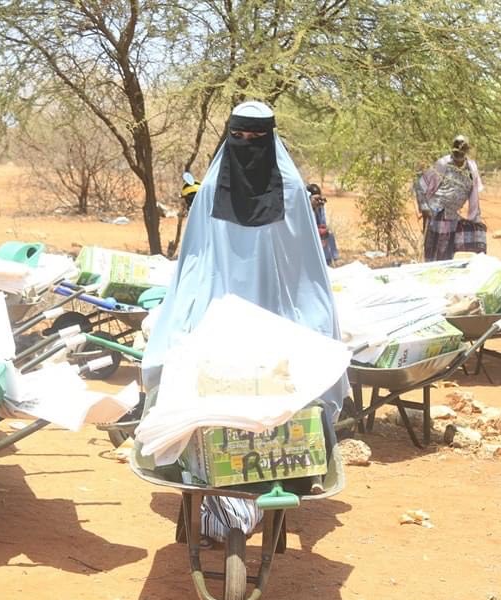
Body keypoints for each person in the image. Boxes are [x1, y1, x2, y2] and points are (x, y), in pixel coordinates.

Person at [141, 102, 348, 544]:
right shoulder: (216, 185)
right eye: (241, 138)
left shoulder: (290, 190)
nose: (248, 147)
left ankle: (257, 494)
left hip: (278, 315)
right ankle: (225, 501)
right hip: (219, 315)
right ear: (229, 136)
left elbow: (304, 267)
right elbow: (196, 261)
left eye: (257, 139)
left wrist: (311, 321)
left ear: (271, 138)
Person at [414, 135, 485, 261]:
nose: (459, 149)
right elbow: (420, 185)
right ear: (452, 148)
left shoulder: (471, 168)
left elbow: (474, 195)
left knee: (471, 239)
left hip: (453, 215)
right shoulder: (443, 164)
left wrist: (474, 219)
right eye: (457, 146)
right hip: (437, 213)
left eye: (462, 147)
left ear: (467, 150)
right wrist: (424, 208)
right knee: (438, 253)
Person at [306, 183, 339, 266]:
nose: (318, 201)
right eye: (315, 199)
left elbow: (322, 222)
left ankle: (331, 260)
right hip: (308, 234)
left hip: (318, 231)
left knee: (329, 235)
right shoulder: (305, 208)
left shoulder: (320, 206)